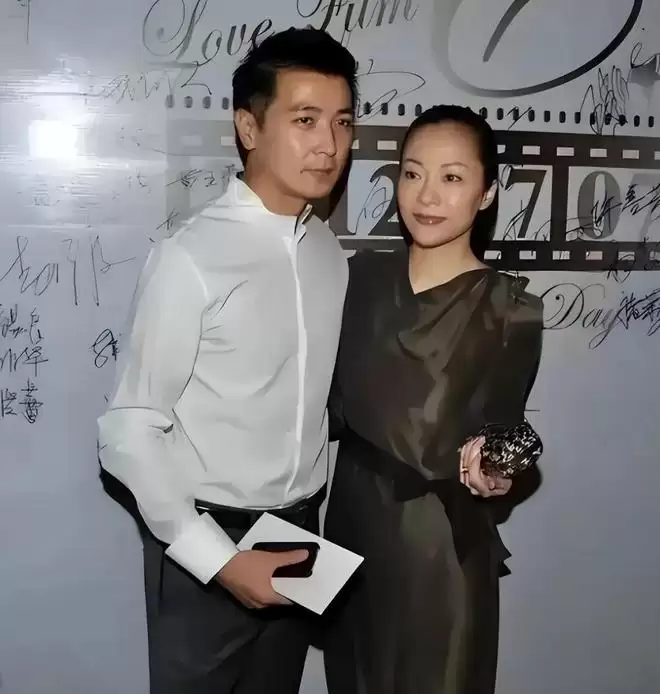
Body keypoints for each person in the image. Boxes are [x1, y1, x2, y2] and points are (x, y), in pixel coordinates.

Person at [98, 27, 356, 694]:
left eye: (342, 121)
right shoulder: (190, 255)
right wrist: (217, 560)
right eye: (305, 120)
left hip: (300, 533)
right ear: (249, 127)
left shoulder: (329, 253)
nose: (329, 144)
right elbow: (128, 430)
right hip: (205, 542)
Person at [322, 105, 544, 694]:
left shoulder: (511, 310)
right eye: (413, 173)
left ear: (487, 192)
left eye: (452, 177)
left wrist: (497, 469)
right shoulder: (357, 279)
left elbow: (501, 432)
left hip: (440, 554)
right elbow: (325, 409)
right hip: (352, 542)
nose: (426, 195)